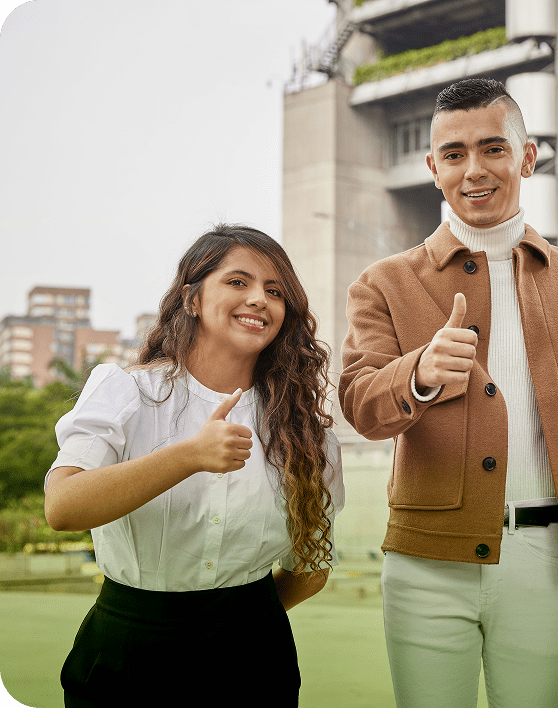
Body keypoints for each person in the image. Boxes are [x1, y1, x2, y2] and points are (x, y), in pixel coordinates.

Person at [338, 78, 558, 708]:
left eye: (493, 149)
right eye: (453, 155)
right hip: (425, 567)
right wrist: (418, 374)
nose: (473, 170)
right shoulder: (383, 283)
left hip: (544, 564)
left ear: (526, 157)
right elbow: (360, 405)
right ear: (432, 168)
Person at [44, 225, 345, 707]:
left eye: (274, 291)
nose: (258, 300)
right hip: (126, 656)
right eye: (237, 282)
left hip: (253, 660)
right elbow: (62, 507)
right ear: (191, 299)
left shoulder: (308, 433)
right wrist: (188, 456)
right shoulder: (125, 391)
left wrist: (236, 618)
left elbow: (310, 569)